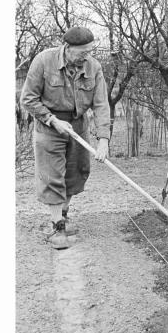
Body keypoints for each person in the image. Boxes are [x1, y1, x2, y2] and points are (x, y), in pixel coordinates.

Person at [20, 27, 111, 249]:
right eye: (82, 52)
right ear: (67, 48)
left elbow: (100, 104)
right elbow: (28, 99)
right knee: (52, 175)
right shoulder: (43, 61)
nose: (85, 57)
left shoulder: (94, 67)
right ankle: (57, 227)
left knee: (76, 172)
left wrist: (103, 139)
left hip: (78, 125)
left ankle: (63, 215)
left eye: (89, 52)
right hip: (49, 125)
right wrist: (52, 120)